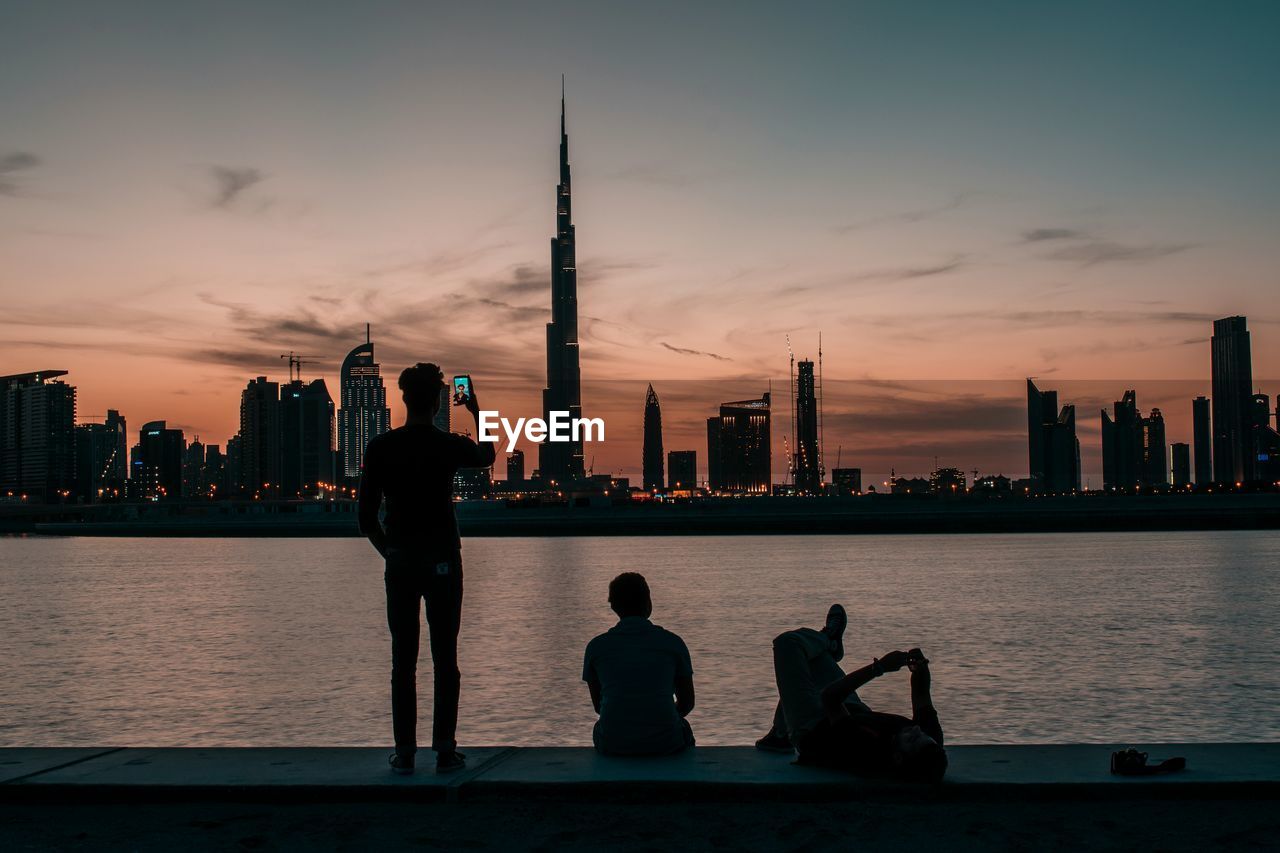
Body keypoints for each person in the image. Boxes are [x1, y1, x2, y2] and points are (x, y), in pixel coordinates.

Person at [358, 362, 496, 774]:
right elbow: (487, 456)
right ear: (438, 402)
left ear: (403, 397)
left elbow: (365, 519)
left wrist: (392, 553)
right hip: (442, 561)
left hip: (401, 561)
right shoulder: (447, 444)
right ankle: (445, 750)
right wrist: (477, 409)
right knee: (445, 659)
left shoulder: (381, 447)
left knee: (403, 661)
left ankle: (404, 753)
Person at [756, 604, 947, 782]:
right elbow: (922, 695)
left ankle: (828, 640)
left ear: (898, 757)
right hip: (850, 709)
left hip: (812, 725)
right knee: (814, 653)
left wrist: (879, 667)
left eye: (912, 739)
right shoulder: (930, 744)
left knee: (788, 644)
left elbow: (830, 698)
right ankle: (779, 734)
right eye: (921, 734)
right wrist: (920, 667)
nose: (915, 730)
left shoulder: (868, 751)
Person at [582, 573, 696, 756]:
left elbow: (599, 706)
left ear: (613, 606)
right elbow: (687, 703)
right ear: (648, 602)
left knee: (601, 726)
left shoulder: (596, 647)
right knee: (684, 728)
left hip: (613, 744)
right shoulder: (673, 643)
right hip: (667, 743)